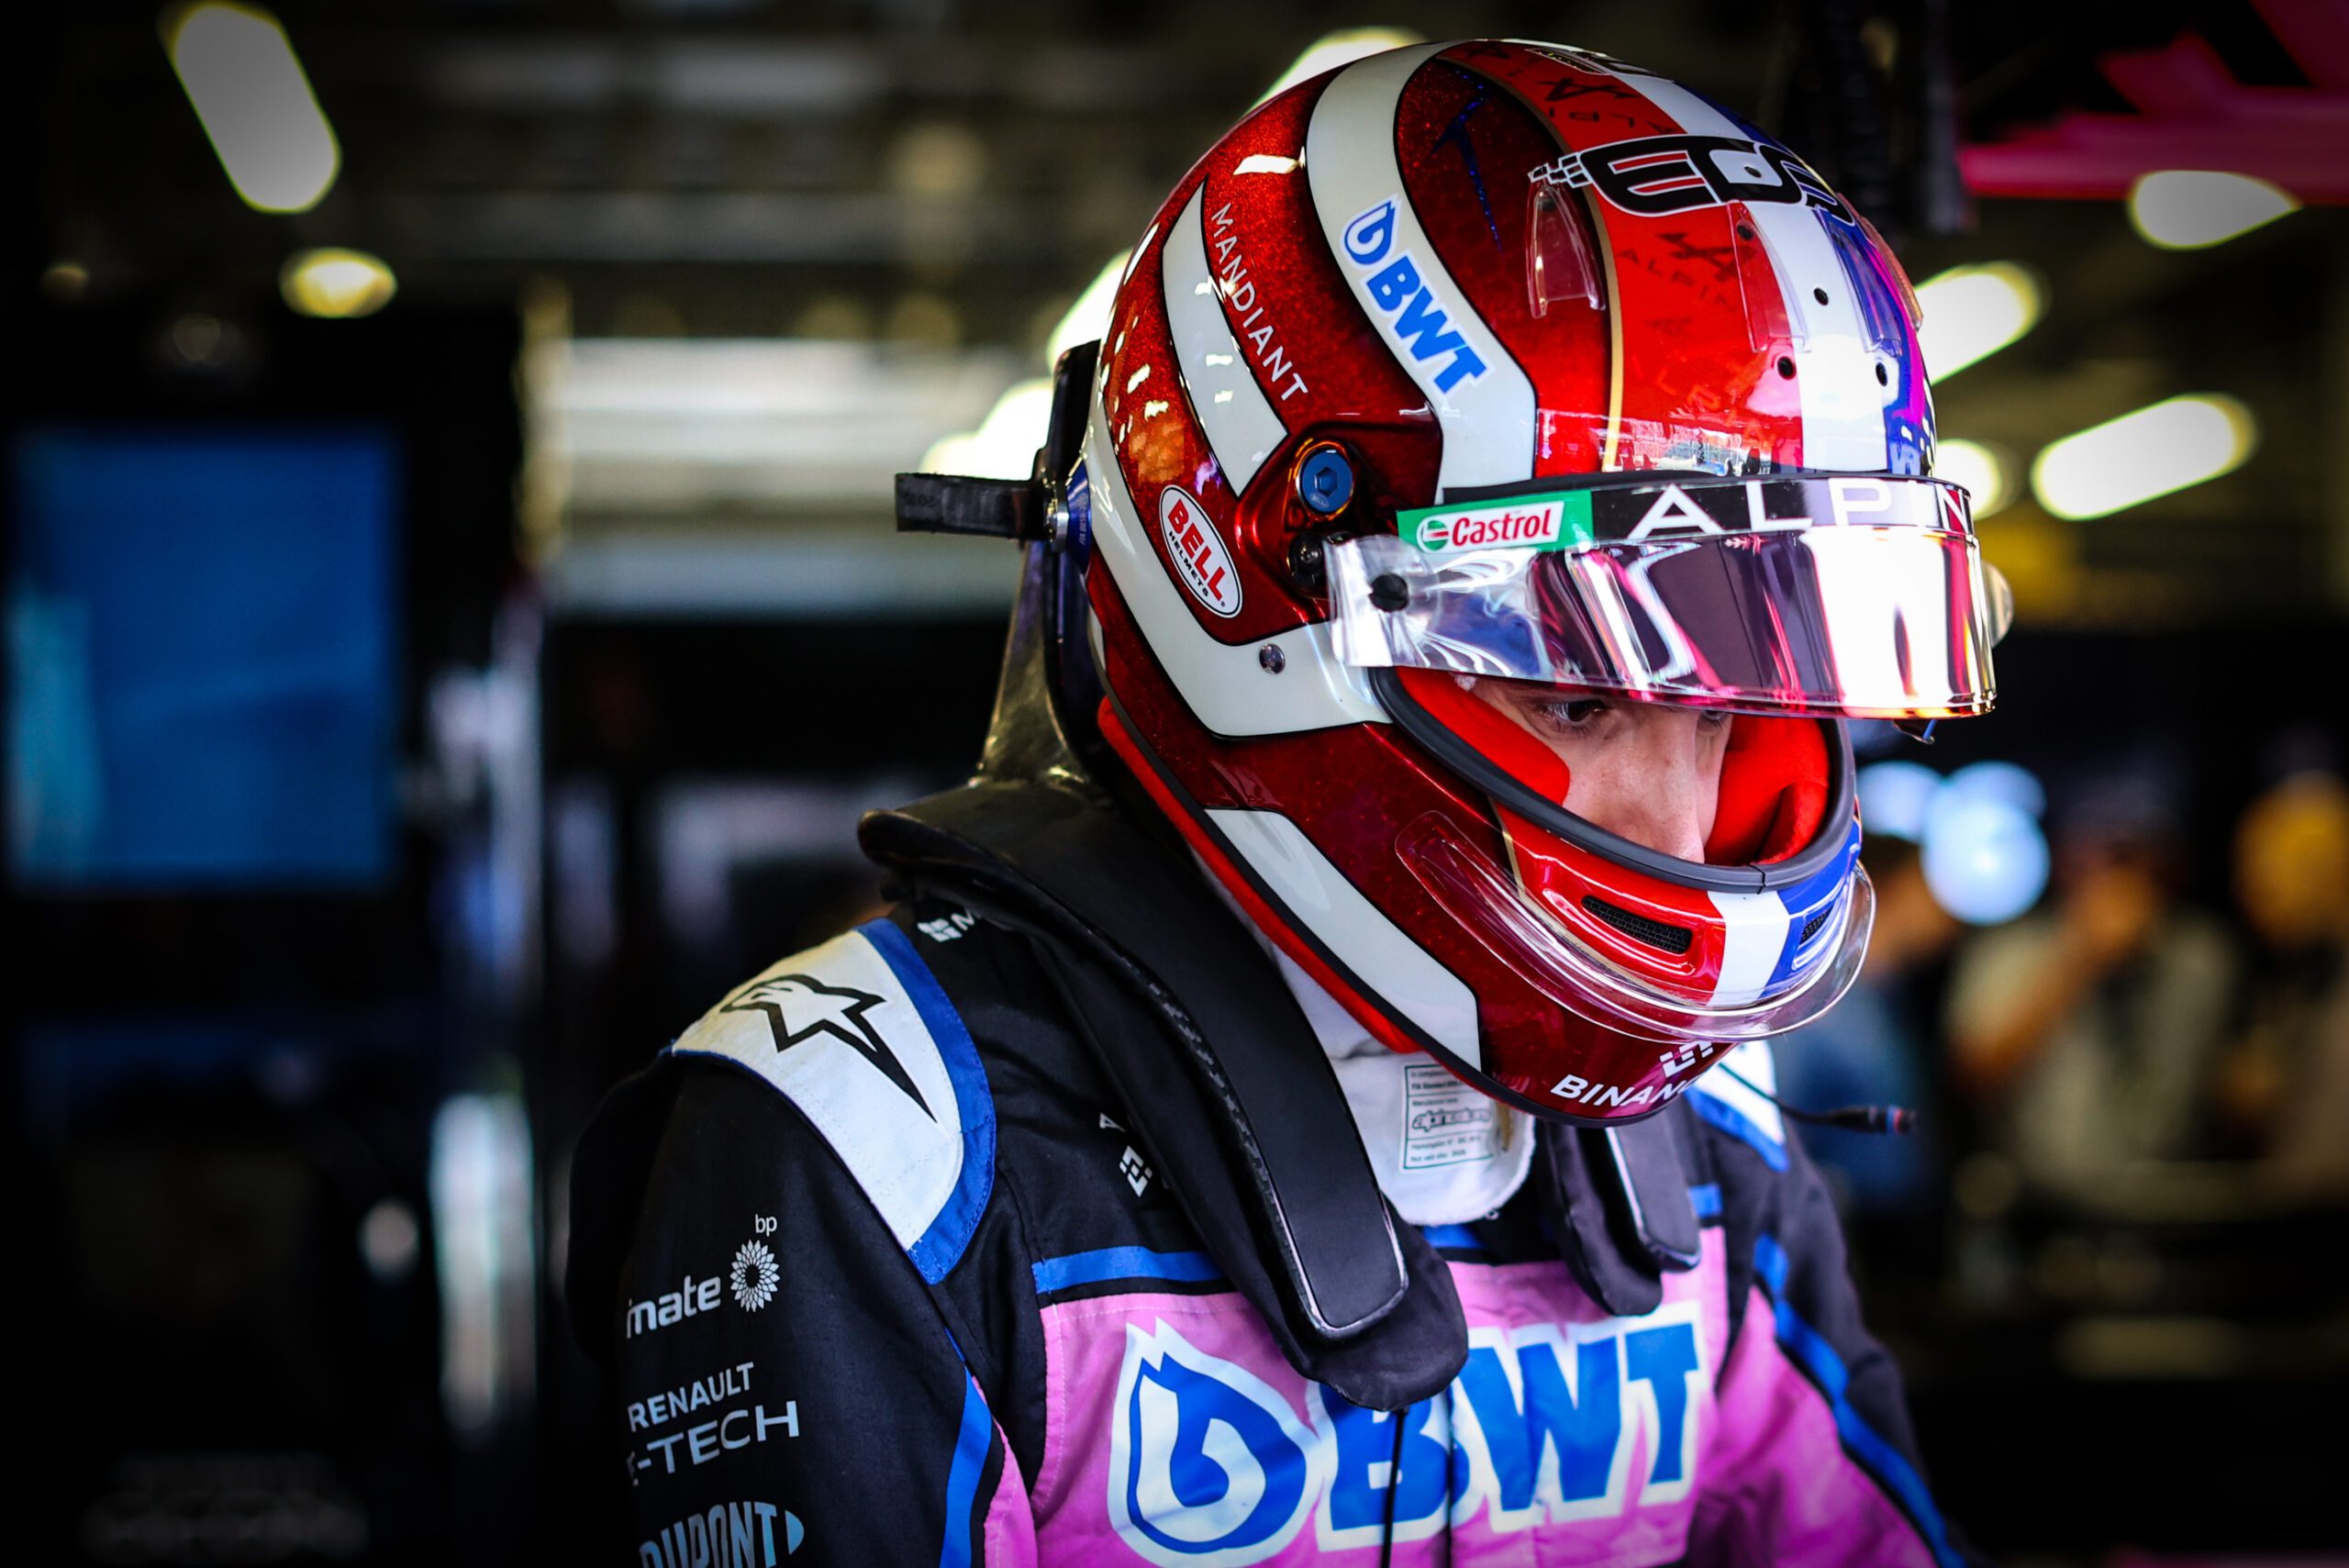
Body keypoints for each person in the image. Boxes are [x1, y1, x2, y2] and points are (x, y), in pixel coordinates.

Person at [565, 40, 2000, 1567]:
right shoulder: (863, 1142)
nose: (1682, 815)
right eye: (1578, 689)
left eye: (1736, 708)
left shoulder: (1723, 1138)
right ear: (1247, 575)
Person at [1945, 780, 2235, 1199]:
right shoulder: (2008, 951)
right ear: (2066, 857)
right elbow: (1970, 1079)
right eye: (2103, 853)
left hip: (2176, 1195)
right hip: (2043, 1201)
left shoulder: (2203, 957)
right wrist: (2078, 962)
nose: (2116, 873)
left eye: (2135, 854)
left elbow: (2228, 1087)